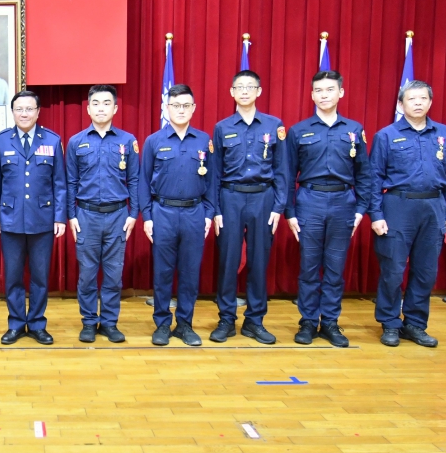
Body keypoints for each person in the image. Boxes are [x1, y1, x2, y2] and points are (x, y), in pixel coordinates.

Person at [369, 80, 446, 348]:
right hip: (398, 207)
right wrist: (376, 214)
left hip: (433, 208)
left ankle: (415, 324)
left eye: (423, 98)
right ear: (401, 104)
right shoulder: (386, 135)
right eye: (412, 99)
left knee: (425, 271)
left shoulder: (443, 134)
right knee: (393, 270)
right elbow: (374, 178)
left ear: (430, 102)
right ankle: (390, 323)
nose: (418, 103)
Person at [285, 71, 372, 348]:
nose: (324, 95)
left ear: (341, 93)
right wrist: (290, 212)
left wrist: (360, 210)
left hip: (343, 203)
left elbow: (364, 173)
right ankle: (309, 321)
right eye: (319, 90)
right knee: (309, 267)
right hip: (309, 201)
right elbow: (287, 174)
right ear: (312, 95)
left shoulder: (354, 130)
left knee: (335, 267)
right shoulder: (298, 131)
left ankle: (331, 322)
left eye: (330, 90)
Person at [210, 70, 288, 344]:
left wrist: (278, 207)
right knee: (228, 260)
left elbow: (282, 169)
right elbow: (214, 173)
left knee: (259, 261)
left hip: (263, 198)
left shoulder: (274, 125)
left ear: (259, 91)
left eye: (250, 87)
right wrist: (216, 209)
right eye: (239, 87)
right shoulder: (222, 127)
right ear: (231, 92)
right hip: (230, 198)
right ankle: (226, 319)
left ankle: (255, 321)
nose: (244, 91)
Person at [0, 90, 66, 345]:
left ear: (38, 112)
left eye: (29, 109)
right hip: (10, 220)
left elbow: (60, 183)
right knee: (13, 276)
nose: (24, 113)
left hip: (43, 220)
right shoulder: (1, 141)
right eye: (19, 109)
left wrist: (60, 218)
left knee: (40, 277)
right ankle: (15, 323)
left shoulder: (52, 140)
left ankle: (36, 324)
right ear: (12, 112)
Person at [139, 85, 215, 346]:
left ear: (193, 108)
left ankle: (185, 324)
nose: (181, 110)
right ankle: (162, 323)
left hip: (195, 212)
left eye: (186, 105)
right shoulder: (153, 141)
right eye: (175, 105)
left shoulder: (204, 140)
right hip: (163, 213)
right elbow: (143, 181)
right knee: (162, 273)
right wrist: (147, 217)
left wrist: (208, 213)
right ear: (166, 108)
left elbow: (213, 181)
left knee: (190, 273)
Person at [65, 85, 138, 343]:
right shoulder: (76, 142)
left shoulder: (127, 141)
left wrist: (134, 213)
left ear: (115, 108)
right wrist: (71, 215)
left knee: (113, 275)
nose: (101, 108)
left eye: (106, 103)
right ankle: (88, 322)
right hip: (86, 216)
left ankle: (109, 322)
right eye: (95, 103)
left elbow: (134, 179)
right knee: (87, 275)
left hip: (118, 215)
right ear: (88, 109)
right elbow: (70, 182)